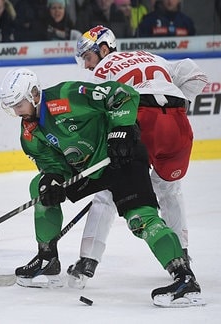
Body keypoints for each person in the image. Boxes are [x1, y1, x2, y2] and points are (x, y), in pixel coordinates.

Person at [0, 68, 204, 307]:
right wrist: (52, 178)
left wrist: (122, 128)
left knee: (140, 219)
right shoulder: (29, 133)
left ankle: (184, 279)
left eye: (19, 105)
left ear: (34, 94)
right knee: (41, 190)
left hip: (121, 157)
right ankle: (47, 259)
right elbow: (51, 163)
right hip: (90, 170)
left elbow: (122, 94)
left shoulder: (66, 95)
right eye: (12, 107)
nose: (16, 112)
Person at [67, 25, 208, 290]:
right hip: (177, 125)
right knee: (170, 189)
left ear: (104, 49)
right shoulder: (152, 56)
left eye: (88, 56)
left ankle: (88, 261)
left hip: (140, 123)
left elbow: (96, 114)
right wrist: (177, 103)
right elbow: (195, 74)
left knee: (108, 192)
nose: (87, 65)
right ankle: (182, 257)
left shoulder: (101, 70)